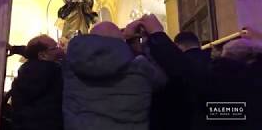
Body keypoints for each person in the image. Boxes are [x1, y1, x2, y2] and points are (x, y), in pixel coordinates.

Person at [125, 14, 262, 130]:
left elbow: (188, 71)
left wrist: (157, 34)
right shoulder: (249, 85)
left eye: (222, 60)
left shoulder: (225, 91)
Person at [62, 21, 167, 130]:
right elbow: (162, 80)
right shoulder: (141, 67)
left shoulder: (71, 67)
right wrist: (144, 45)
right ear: (121, 42)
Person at [11, 35, 64, 130]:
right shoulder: (58, 72)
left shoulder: (23, 74)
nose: (59, 49)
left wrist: (15, 49)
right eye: (55, 47)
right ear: (42, 55)